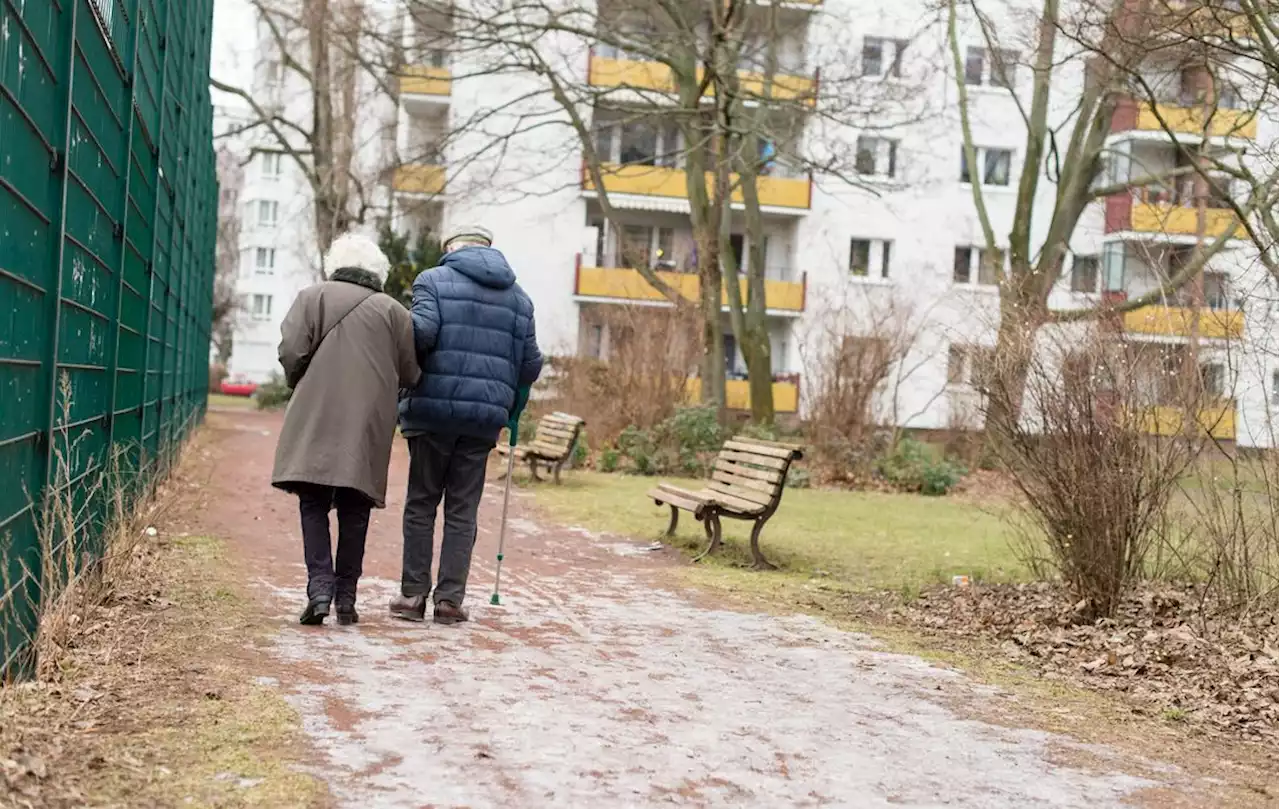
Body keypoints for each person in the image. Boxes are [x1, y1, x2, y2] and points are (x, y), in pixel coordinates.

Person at [391, 224, 542, 625]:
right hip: (482, 421)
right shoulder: (519, 299)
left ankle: (412, 597)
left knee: (422, 502)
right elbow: (531, 364)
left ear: (451, 248)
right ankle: (449, 601)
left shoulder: (432, 281)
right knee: (463, 509)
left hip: (431, 412)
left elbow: (420, 334)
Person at [271, 232, 420, 626]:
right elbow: (411, 371)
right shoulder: (394, 312)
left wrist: (300, 380)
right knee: (356, 505)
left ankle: (319, 588)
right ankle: (347, 598)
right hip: (369, 419)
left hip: (317, 409)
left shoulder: (311, 297)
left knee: (313, 499)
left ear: (335, 263)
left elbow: (290, 351)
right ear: (378, 271)